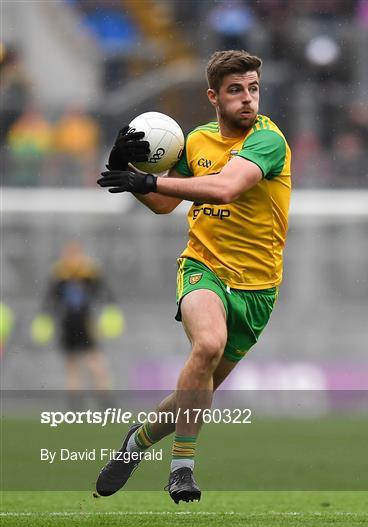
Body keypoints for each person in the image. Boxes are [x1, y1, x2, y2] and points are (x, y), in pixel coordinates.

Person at [95, 50, 291, 504]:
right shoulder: (197, 141)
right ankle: (182, 466)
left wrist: (152, 183)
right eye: (236, 90)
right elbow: (164, 204)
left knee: (195, 389)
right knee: (206, 345)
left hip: (258, 289)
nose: (248, 99)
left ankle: (135, 443)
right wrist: (127, 173)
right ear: (213, 97)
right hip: (203, 266)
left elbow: (224, 186)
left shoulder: (268, 140)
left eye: (253, 88)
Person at [32, 241, 121, 398]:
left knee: (93, 363)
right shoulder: (61, 274)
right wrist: (45, 318)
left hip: (84, 323)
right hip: (69, 324)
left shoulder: (88, 272)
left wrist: (110, 312)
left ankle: (104, 398)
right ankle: (77, 404)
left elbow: (106, 295)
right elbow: (49, 301)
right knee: (74, 365)